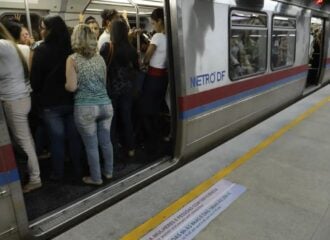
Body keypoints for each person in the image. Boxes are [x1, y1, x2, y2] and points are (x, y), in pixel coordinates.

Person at [30, 16, 83, 181]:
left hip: (50, 104)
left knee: (56, 140)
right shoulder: (73, 49)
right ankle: (78, 170)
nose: (41, 31)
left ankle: (58, 174)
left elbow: (35, 82)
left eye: (44, 28)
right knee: (74, 138)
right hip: (71, 100)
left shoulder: (40, 50)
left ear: (51, 30)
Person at [65, 24, 113, 185]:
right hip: (105, 105)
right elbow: (104, 83)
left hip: (85, 108)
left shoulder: (72, 59)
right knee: (106, 142)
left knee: (91, 146)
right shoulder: (100, 58)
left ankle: (96, 178)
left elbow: (71, 87)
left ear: (75, 39)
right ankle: (109, 172)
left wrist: (65, 85)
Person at [0, 23, 42, 192]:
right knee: (26, 139)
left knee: (23, 142)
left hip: (14, 100)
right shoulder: (13, 46)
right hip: (23, 96)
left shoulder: (3, 46)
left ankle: (35, 178)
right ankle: (32, 172)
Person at [106, 20, 139, 157]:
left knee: (112, 121)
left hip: (112, 89)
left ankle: (113, 150)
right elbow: (136, 68)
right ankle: (131, 148)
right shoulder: (131, 49)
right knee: (127, 118)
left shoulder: (108, 47)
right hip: (127, 88)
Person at [140, 8, 168, 151]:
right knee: (157, 108)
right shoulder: (169, 36)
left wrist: (143, 61)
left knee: (145, 109)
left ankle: (151, 139)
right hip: (163, 78)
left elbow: (148, 56)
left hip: (153, 78)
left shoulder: (157, 37)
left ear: (160, 21)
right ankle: (159, 135)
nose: (153, 26)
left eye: (153, 23)